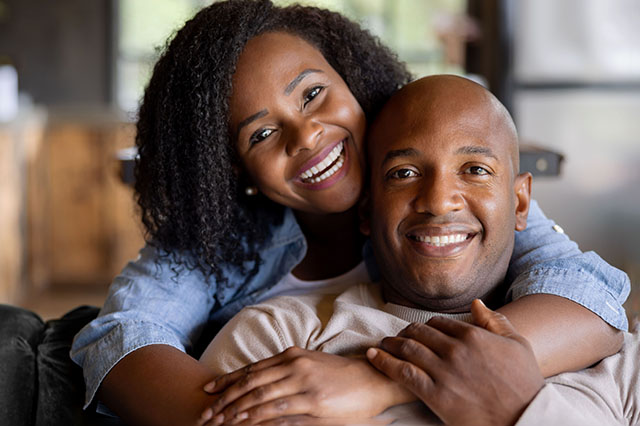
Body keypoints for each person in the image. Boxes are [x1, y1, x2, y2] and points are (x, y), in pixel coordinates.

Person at [67, 1, 629, 425]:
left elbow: (589, 298)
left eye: (312, 95)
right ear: (232, 170)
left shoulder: (445, 185)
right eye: (261, 133)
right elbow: (123, 337)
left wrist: (373, 382)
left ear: (351, 81)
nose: (307, 134)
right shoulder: (221, 249)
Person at [198, 75, 639, 426]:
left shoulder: (617, 362)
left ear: (520, 202)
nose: (438, 199)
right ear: (367, 210)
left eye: (475, 169)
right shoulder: (274, 342)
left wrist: (513, 410)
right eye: (404, 172)